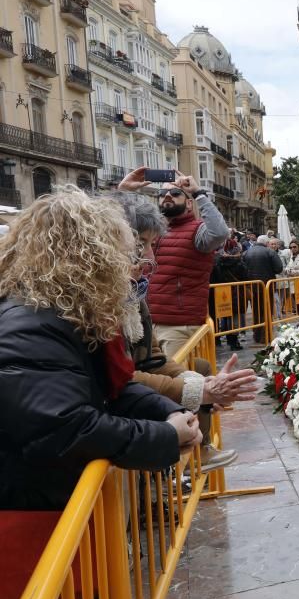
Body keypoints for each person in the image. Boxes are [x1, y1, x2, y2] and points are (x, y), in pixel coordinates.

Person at [0, 186, 200, 510]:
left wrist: (170, 413)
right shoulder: (32, 324)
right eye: (124, 254)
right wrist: (164, 436)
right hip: (31, 514)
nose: (137, 263)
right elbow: (65, 430)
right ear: (89, 259)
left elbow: (111, 389)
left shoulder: (68, 312)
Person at [113, 194, 259, 471]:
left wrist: (202, 389)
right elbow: (122, 378)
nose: (150, 257)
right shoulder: (95, 304)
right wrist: (200, 391)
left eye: (151, 245)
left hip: (181, 319)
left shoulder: (133, 295)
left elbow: (153, 361)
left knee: (196, 370)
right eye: (141, 245)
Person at [118, 167, 229, 359]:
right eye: (163, 193)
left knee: (176, 382)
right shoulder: (150, 230)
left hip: (178, 326)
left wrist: (198, 193)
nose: (167, 196)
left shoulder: (198, 231)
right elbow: (112, 224)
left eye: (175, 193)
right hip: (144, 320)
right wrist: (124, 191)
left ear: (188, 203)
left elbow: (220, 233)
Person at [242, 235, 283, 343]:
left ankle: (257, 334)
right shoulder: (270, 252)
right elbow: (279, 268)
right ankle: (266, 335)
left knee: (256, 310)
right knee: (267, 310)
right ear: (266, 243)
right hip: (266, 285)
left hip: (252, 286)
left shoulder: (246, 252)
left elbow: (242, 268)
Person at [214, 229, 247, 351]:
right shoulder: (238, 262)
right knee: (234, 316)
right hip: (234, 292)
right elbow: (245, 274)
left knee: (221, 315)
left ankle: (217, 339)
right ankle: (233, 342)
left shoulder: (215, 260)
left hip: (218, 292)